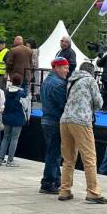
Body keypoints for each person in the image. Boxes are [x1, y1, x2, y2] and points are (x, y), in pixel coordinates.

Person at [58, 61, 106, 203]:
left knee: (68, 159)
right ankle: (93, 192)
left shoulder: (71, 81)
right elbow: (99, 103)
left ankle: (65, 190)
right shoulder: (90, 81)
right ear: (92, 72)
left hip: (65, 120)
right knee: (89, 158)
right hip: (81, 121)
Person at [39, 57, 69, 195]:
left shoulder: (46, 81)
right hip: (54, 121)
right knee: (54, 154)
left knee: (53, 152)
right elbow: (63, 104)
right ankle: (47, 182)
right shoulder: (58, 84)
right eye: (65, 68)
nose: (67, 71)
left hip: (46, 120)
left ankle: (56, 180)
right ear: (57, 68)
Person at [0, 73, 28, 166]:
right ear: (20, 82)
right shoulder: (21, 93)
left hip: (7, 117)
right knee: (14, 138)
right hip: (17, 118)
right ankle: (10, 160)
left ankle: (0, 159)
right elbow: (25, 106)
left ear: (12, 81)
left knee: (5, 137)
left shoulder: (6, 91)